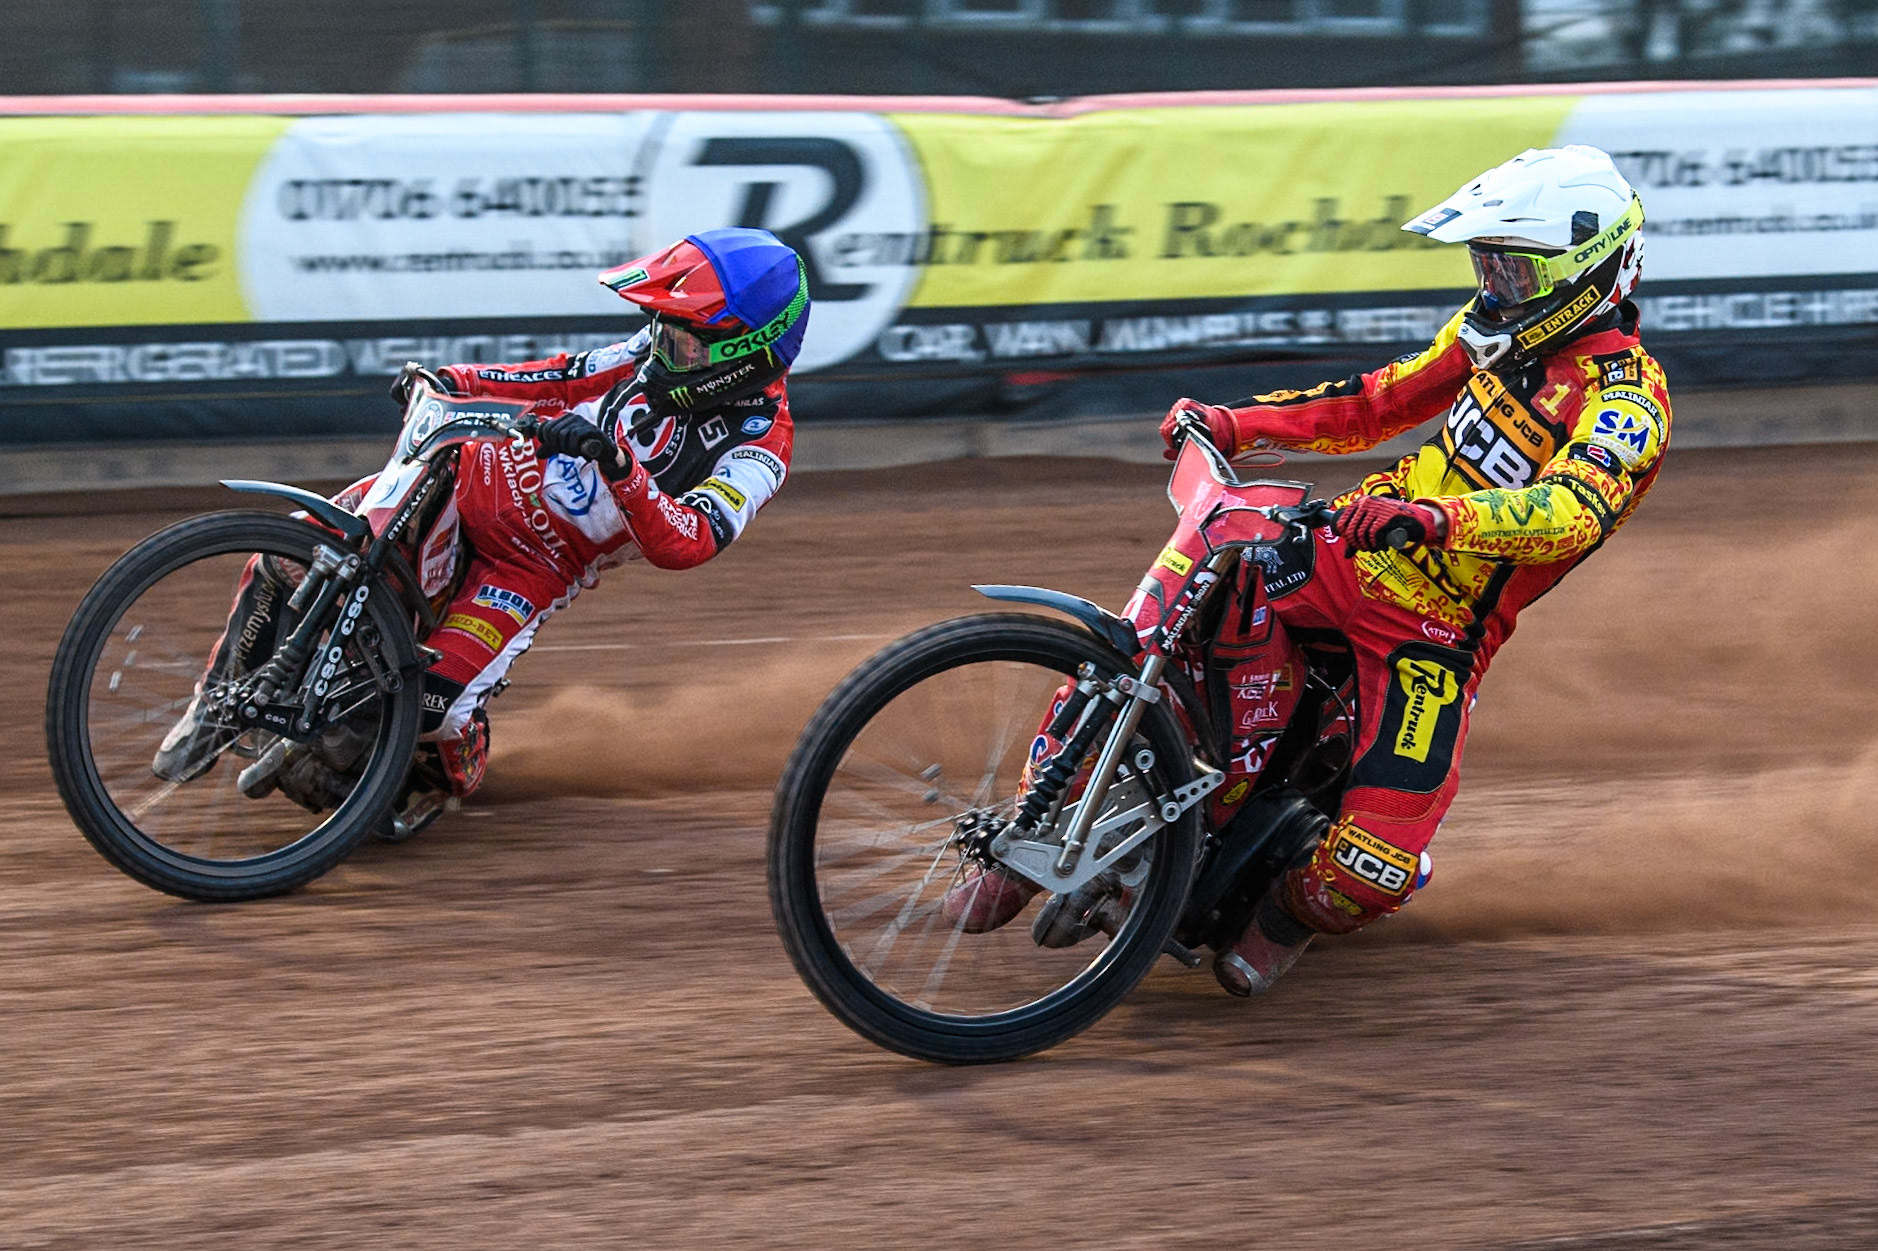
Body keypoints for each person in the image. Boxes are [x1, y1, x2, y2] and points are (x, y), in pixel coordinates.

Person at [944, 146, 1671, 998]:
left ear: (1584, 275)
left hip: (1437, 627)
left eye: (1513, 272)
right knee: (1158, 629)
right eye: (1489, 267)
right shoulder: (1490, 338)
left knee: (1373, 869)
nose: (1494, 288)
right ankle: (1031, 840)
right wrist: (1235, 422)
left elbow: (1569, 511)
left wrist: (1433, 518)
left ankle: (1281, 918)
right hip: (1345, 549)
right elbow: (1374, 403)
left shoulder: (1629, 398)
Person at [154, 227, 808, 809]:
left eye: (684, 341)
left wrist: (618, 466)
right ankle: (212, 705)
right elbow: (559, 375)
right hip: (467, 475)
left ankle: (448, 762)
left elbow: (687, 543)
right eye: (661, 330)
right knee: (293, 552)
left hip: (531, 566)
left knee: (427, 712)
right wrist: (454, 379)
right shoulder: (658, 347)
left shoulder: (761, 447)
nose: (663, 348)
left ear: (742, 353)